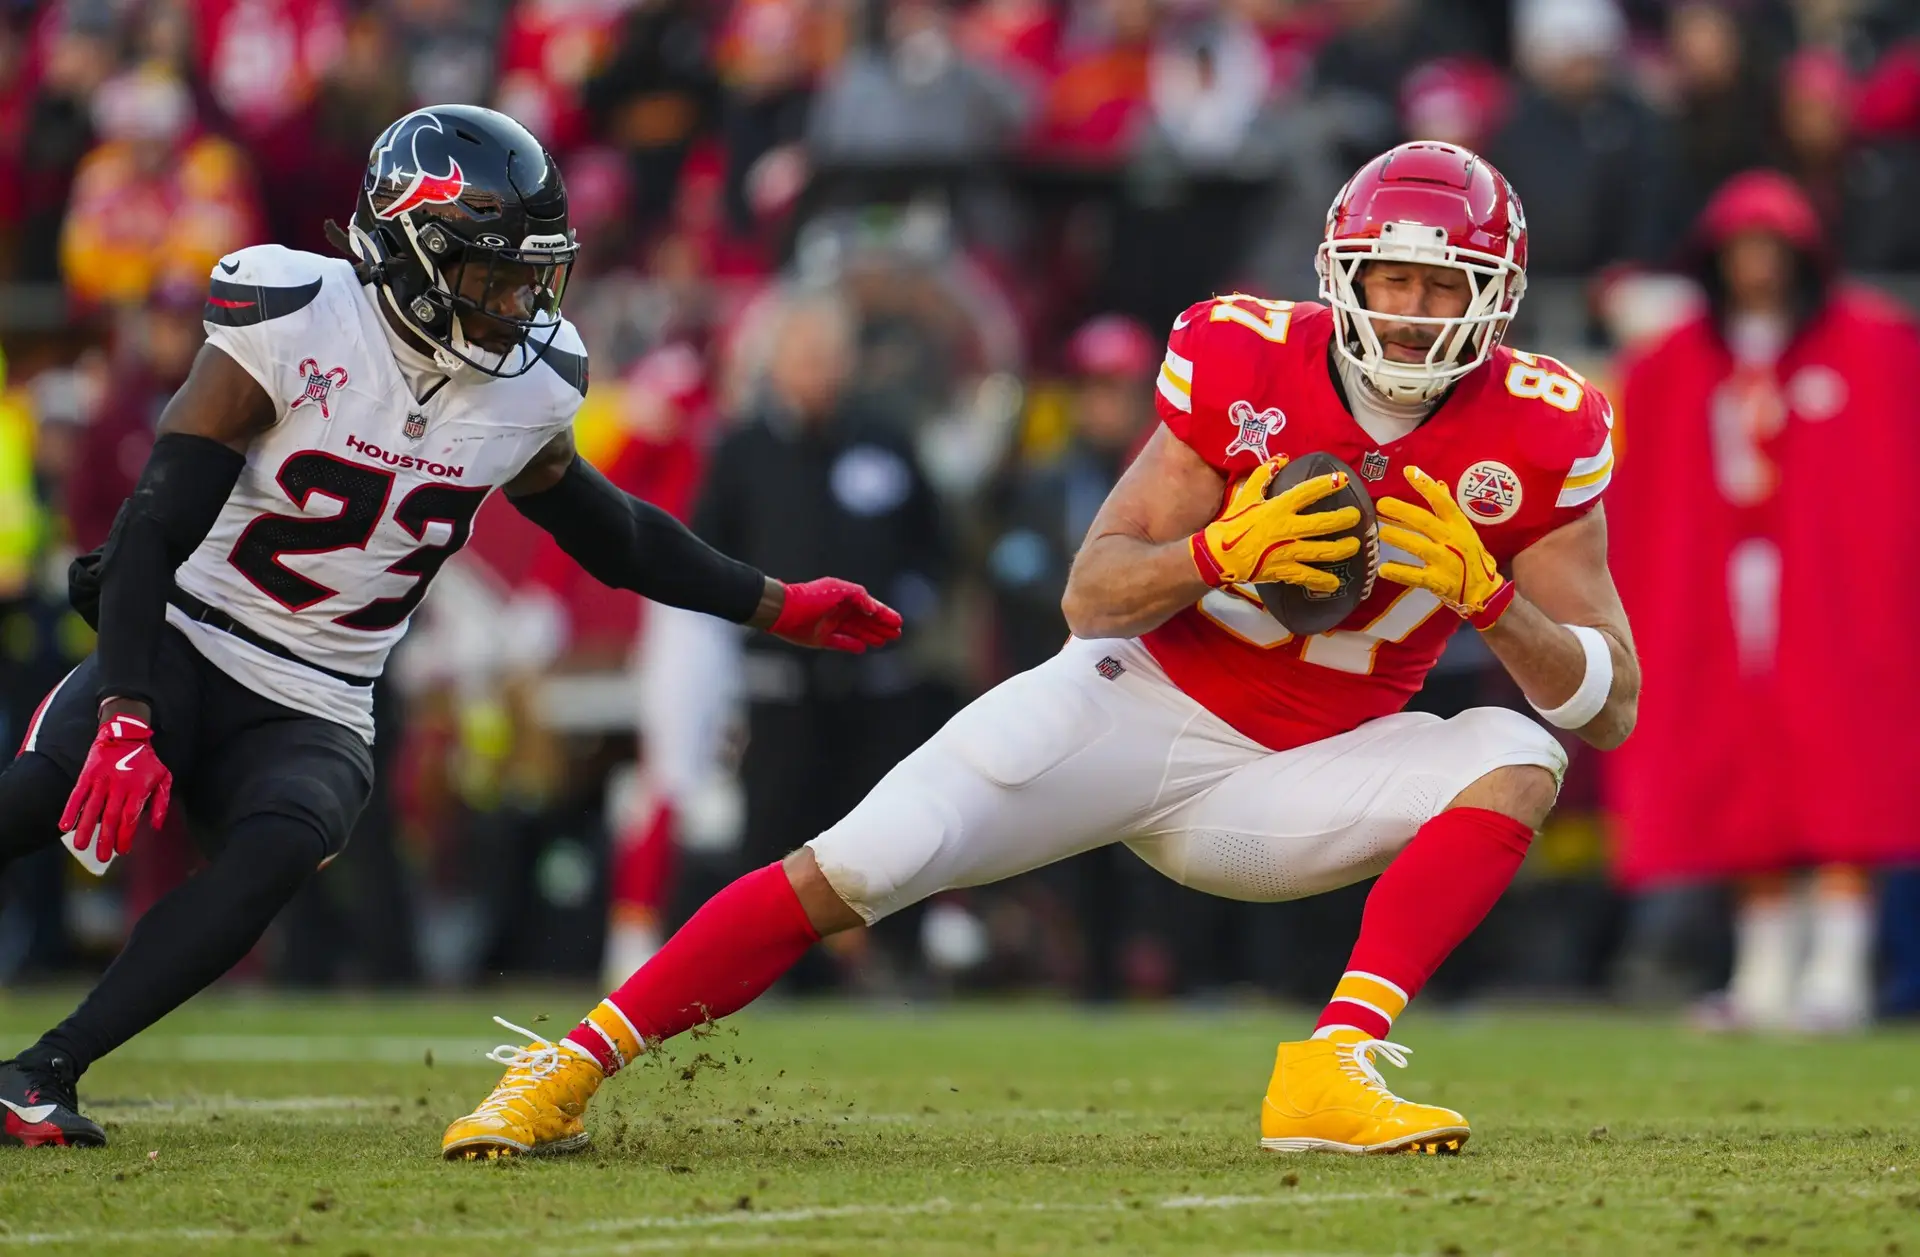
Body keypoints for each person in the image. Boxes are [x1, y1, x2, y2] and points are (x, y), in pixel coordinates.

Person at [445, 140, 1637, 1160]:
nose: (1417, 312)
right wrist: (1219, 554)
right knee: (859, 864)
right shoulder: (1244, 360)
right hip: (1133, 704)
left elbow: (1611, 702)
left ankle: (1331, 1067)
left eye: (1447, 287)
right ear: (1344, 270)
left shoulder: (1542, 428)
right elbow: (1093, 595)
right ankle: (565, 1068)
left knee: (1516, 749)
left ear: (1499, 293)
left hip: (1300, 778)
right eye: (1398, 280)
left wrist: (1497, 604)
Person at [0, 104, 900, 1150]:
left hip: (321, 692)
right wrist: (126, 705)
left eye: (532, 275)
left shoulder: (530, 385)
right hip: (191, 633)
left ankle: (42, 1069)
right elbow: (154, 520)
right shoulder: (293, 314)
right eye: (495, 274)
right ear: (411, 250)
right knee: (34, 799)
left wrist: (775, 603)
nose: (521, 303)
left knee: (286, 843)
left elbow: (611, 532)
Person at [1606, 169, 1920, 1032]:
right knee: (1739, 760)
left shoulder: (1871, 345)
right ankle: (1764, 967)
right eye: (1741, 250)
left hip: (1833, 586)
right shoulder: (1678, 359)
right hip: (1723, 583)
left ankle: (1839, 965)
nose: (1757, 268)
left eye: (1771, 250)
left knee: (1843, 752)